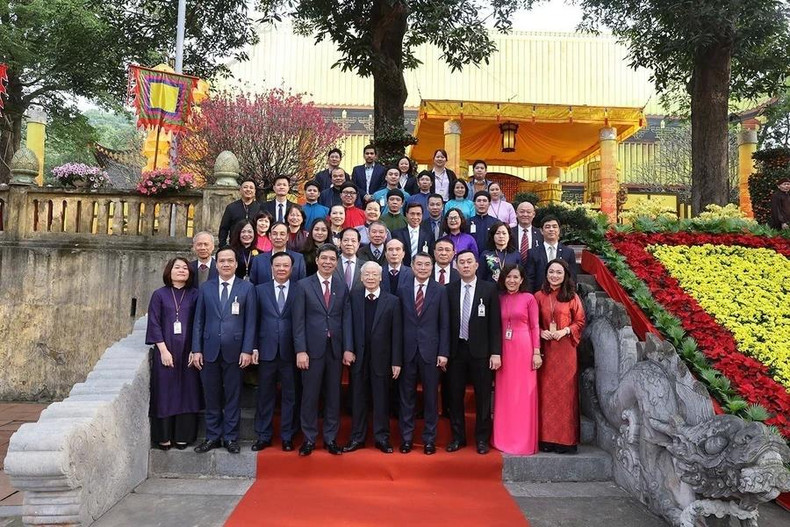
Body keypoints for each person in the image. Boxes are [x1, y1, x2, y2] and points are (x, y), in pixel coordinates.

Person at [192, 248, 257, 454]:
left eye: (230, 260)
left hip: (235, 351)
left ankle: (230, 437)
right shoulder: (206, 288)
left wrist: (247, 349)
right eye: (222, 261)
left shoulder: (247, 288)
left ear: (236, 264)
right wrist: (196, 349)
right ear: (216, 263)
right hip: (209, 349)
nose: (226, 264)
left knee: (232, 395)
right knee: (211, 396)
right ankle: (212, 437)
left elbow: (251, 322)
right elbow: (198, 321)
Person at [292, 244, 354, 456]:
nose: (328, 262)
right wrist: (300, 350)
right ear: (317, 260)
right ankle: (309, 439)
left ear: (336, 263)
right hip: (311, 350)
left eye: (332, 259)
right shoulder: (303, 286)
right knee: (310, 395)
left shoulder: (340, 285)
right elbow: (298, 321)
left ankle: (330, 438)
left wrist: (348, 348)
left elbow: (346, 318)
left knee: (333, 396)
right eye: (324, 258)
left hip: (335, 350)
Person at [445, 250, 501, 455]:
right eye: (461, 262)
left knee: (483, 397)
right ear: (456, 266)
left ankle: (482, 439)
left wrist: (496, 353)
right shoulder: (449, 289)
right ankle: (458, 437)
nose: (466, 265)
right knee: (455, 396)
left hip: (482, 351)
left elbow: (495, 324)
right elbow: (445, 324)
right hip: (456, 350)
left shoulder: (489, 289)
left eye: (469, 262)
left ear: (477, 265)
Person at [344, 261, 403, 454]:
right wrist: (349, 348)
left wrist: (396, 361)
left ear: (380, 277)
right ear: (361, 278)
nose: (370, 277)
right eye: (366, 274)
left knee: (381, 399)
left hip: (382, 358)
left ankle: (382, 438)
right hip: (358, 357)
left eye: (374, 274)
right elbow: (348, 326)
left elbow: (397, 334)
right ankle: (357, 437)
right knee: (358, 398)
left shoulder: (392, 301)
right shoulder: (353, 297)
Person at [146, 257, 202, 450]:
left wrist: (196, 349)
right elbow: (154, 323)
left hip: (188, 351)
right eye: (177, 267)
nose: (181, 271)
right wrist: (162, 350)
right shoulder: (159, 295)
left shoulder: (195, 295)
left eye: (185, 268)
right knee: (165, 392)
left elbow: (199, 322)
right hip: (167, 350)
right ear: (169, 271)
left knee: (188, 392)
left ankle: (182, 436)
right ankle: (163, 437)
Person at [398, 252, 449, 455]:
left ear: (432, 266)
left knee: (430, 398)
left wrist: (443, 352)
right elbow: (398, 324)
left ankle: (429, 439)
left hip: (431, 351)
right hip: (407, 351)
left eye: (427, 264)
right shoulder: (402, 289)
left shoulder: (440, 290)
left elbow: (444, 324)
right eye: (419, 264)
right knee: (406, 397)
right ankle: (407, 438)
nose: (423, 268)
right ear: (412, 266)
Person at [535, 259, 585, 454]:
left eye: (558, 272)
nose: (554, 275)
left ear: (565, 275)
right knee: (546, 394)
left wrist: (565, 331)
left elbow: (580, 322)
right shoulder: (538, 296)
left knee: (565, 394)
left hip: (565, 350)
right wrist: (540, 331)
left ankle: (566, 440)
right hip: (546, 350)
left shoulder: (572, 297)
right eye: (551, 272)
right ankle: (545, 439)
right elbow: (530, 321)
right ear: (546, 274)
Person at [251, 252, 299, 452]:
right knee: (265, 395)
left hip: (291, 351)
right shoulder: (259, 290)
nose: (281, 269)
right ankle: (263, 435)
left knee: (291, 396)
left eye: (285, 265)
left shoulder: (300, 289)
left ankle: (287, 436)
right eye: (277, 265)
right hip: (266, 350)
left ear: (291, 268)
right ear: (271, 268)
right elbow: (252, 320)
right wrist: (252, 346)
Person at [492, 264, 541, 455]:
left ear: (522, 280)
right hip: (504, 349)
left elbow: (535, 326)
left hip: (524, 348)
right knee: (505, 395)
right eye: (508, 277)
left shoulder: (529, 299)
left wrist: (536, 352)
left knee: (523, 395)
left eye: (515, 277)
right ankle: (502, 438)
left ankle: (522, 441)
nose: (512, 281)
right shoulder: (500, 299)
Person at [525, 215, 577, 292]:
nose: (551, 229)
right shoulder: (533, 252)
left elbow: (572, 277)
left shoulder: (568, 252)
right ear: (541, 231)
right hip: (539, 295)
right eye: (547, 227)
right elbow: (530, 279)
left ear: (559, 230)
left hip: (562, 295)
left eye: (554, 226)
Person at [218, 178, 261, 247]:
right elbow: (224, 228)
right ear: (240, 190)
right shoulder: (231, 207)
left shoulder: (260, 207)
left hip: (256, 246)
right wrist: (223, 245)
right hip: (235, 245)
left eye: (251, 188)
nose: (248, 189)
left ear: (255, 191)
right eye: (245, 187)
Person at [392, 202, 435, 267]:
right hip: (403, 270)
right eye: (412, 214)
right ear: (406, 214)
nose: (415, 217)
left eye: (418, 214)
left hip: (422, 270)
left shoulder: (429, 235)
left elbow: (431, 255)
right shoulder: (397, 234)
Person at [512, 201, 543, 267]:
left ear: (533, 214)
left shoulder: (541, 234)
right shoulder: (509, 233)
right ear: (516, 214)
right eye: (522, 212)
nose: (525, 214)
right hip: (513, 270)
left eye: (528, 212)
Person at [334, 228, 364, 292]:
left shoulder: (365, 266)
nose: (349, 244)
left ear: (358, 244)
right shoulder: (332, 264)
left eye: (353, 241)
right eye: (345, 240)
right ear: (340, 242)